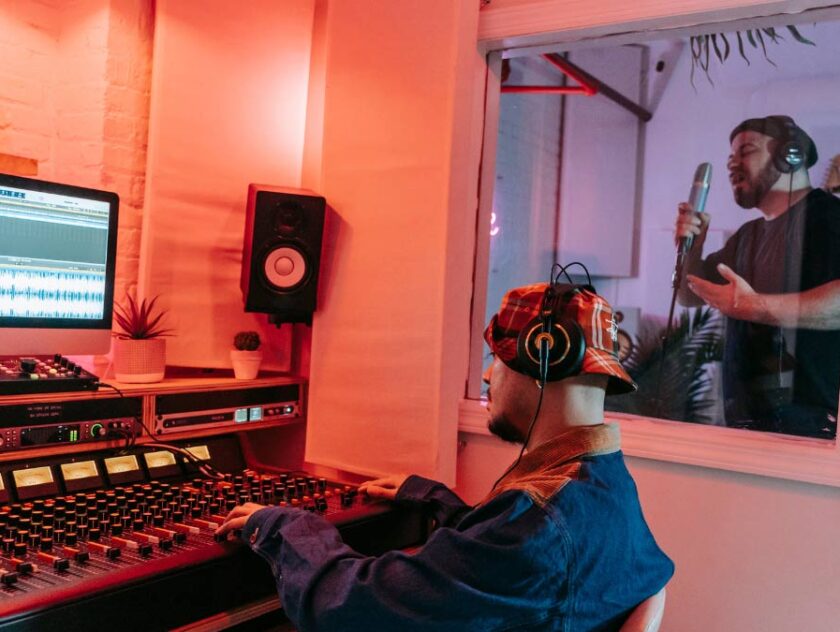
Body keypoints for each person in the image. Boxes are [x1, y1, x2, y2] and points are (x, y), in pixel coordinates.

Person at [216, 281, 674, 631]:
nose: (489, 375)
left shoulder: (536, 524)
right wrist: (437, 498)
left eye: (499, 358)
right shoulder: (604, 485)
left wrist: (284, 524)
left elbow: (349, 607)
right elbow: (507, 569)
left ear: (543, 360)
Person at [674, 115, 840, 438]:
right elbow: (690, 294)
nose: (733, 165)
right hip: (747, 425)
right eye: (729, 159)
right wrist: (692, 246)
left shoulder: (829, 218)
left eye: (746, 151)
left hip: (812, 427)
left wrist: (752, 307)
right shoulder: (747, 236)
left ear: (789, 156)